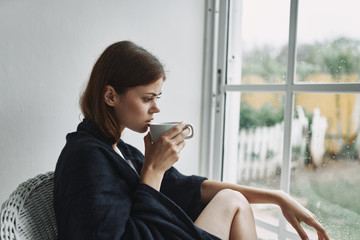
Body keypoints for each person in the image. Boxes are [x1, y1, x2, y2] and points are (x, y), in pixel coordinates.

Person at [53, 41, 329, 240]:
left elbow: (188, 188)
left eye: (157, 98)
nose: (156, 109)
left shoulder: (120, 149)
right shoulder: (86, 157)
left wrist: (277, 197)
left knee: (231, 199)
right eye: (147, 98)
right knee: (230, 202)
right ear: (111, 96)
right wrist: (154, 171)